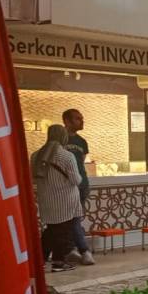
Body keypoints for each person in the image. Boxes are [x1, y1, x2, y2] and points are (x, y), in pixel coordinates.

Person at [31, 125, 83, 272]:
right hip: (65, 200)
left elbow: (33, 179)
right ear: (63, 136)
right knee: (62, 231)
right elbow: (76, 180)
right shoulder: (66, 156)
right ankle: (58, 262)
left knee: (52, 230)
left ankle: (40, 260)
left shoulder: (36, 155)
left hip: (46, 200)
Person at [61, 109, 94, 265]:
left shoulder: (82, 142)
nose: (81, 121)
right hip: (64, 187)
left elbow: (81, 163)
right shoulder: (60, 142)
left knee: (74, 218)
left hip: (81, 185)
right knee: (71, 219)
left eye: (81, 118)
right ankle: (81, 250)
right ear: (67, 121)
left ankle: (73, 249)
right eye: (77, 118)